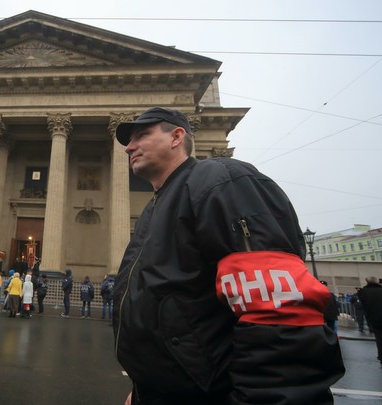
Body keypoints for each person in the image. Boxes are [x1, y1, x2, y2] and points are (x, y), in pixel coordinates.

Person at [112, 107, 344, 404]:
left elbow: (279, 313)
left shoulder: (220, 181)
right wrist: (145, 386)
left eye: (142, 135)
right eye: (128, 141)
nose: (129, 147)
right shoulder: (158, 206)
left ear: (177, 137)